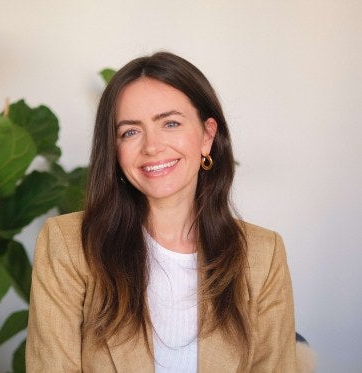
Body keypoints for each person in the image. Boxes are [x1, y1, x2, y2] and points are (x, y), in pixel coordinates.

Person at [26, 52, 296, 372]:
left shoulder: (263, 255)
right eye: (130, 131)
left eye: (170, 123)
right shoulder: (68, 244)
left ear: (207, 136)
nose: (152, 147)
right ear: (114, 149)